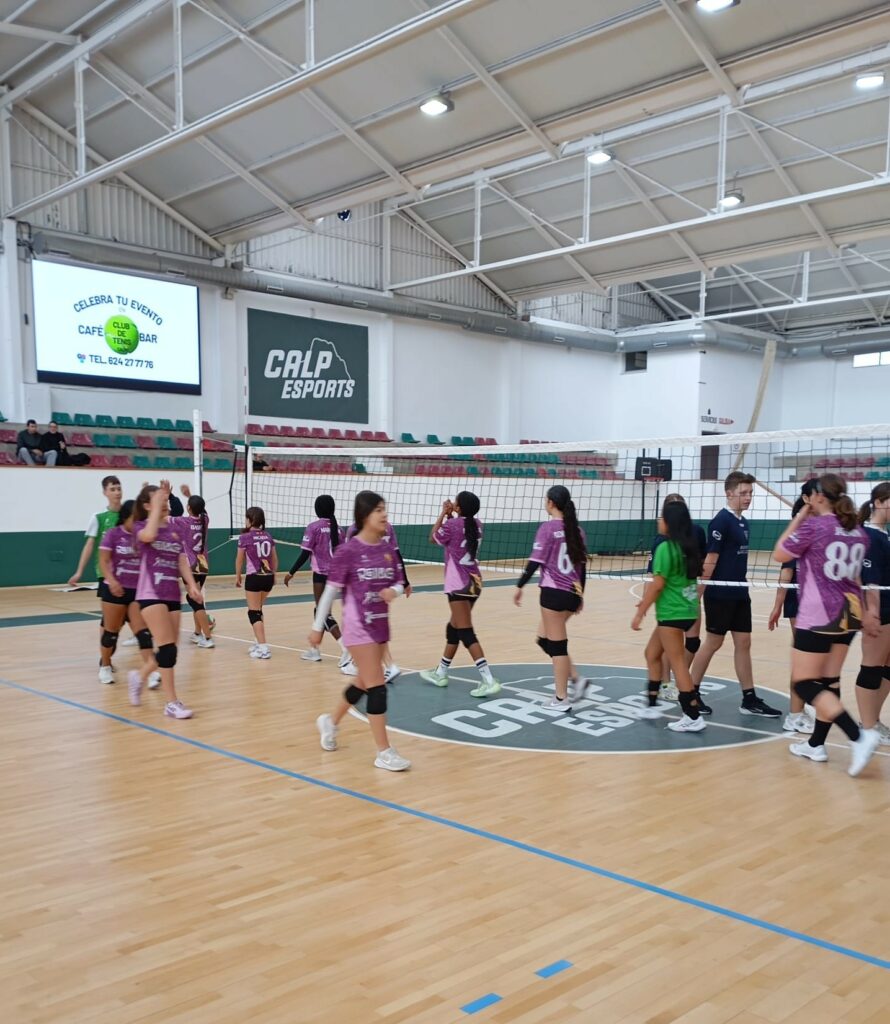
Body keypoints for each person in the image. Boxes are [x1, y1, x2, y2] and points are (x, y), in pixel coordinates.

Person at [774, 474, 880, 775]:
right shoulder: (858, 531)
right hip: (850, 613)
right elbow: (857, 577)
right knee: (829, 682)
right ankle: (815, 745)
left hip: (819, 614)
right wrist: (870, 611)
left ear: (818, 497)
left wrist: (799, 517)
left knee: (805, 684)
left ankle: (859, 736)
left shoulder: (814, 526)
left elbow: (779, 553)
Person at [313, 491, 410, 771]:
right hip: (358, 628)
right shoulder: (348, 551)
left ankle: (330, 723)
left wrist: (393, 590)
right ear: (365, 515)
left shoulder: (387, 549)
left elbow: (400, 582)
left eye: (385, 509)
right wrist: (317, 628)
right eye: (379, 510)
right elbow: (329, 592)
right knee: (378, 688)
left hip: (381, 625)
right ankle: (384, 751)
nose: (384, 514)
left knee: (363, 683)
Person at [689, 471, 781, 717]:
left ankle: (749, 698)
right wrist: (697, 594)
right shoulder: (721, 521)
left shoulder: (743, 522)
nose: (748, 497)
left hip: (740, 591)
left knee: (744, 642)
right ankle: (691, 693)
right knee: (714, 642)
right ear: (728, 493)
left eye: (750, 493)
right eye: (743, 493)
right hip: (720, 593)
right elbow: (710, 560)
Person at [129, 482, 203, 719]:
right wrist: (156, 507)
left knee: (170, 651)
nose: (164, 502)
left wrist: (191, 585)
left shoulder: (175, 529)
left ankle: (139, 676)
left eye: (165, 499)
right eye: (158, 499)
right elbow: (149, 535)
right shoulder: (140, 527)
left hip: (172, 592)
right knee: (168, 649)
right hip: (150, 594)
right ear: (148, 505)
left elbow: (181, 558)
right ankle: (172, 703)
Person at [513, 485, 589, 711]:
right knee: (544, 640)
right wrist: (581, 595)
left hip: (553, 594)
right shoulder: (578, 530)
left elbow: (535, 562)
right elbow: (582, 567)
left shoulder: (547, 528)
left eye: (546, 500)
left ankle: (561, 698)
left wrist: (520, 586)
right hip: (572, 594)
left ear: (552, 503)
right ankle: (577, 680)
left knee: (557, 647)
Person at [632, 501, 705, 731]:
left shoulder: (665, 548)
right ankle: (651, 706)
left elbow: (657, 585)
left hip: (672, 614)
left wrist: (641, 611)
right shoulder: (688, 546)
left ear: (669, 522)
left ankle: (693, 716)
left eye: (661, 517)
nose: (658, 521)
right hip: (687, 610)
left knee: (677, 664)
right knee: (651, 654)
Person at [420, 491, 499, 696]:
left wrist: (443, 513)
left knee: (465, 632)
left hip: (458, 584)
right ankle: (441, 672)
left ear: (460, 507)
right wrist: (451, 515)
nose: (453, 503)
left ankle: (488, 679)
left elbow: (434, 537)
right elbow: (460, 532)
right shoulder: (478, 524)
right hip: (475, 582)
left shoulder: (453, 526)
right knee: (453, 628)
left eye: (456, 502)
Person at [768, 481, 819, 735]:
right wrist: (778, 604)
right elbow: (786, 570)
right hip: (799, 601)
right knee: (803, 659)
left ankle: (803, 707)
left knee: (814, 661)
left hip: (817, 603)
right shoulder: (799, 533)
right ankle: (795, 714)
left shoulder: (818, 529)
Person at [284, 495, 355, 675]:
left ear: (317, 509)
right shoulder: (338, 529)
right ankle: (315, 650)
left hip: (321, 575)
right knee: (319, 611)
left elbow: (304, 554)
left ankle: (345, 647)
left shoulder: (313, 528)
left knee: (323, 613)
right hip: (337, 574)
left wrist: (291, 572)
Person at [648, 493, 706, 700]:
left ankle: (686, 696)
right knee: (658, 651)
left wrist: (642, 609)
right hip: (675, 605)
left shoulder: (696, 533)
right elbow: (654, 579)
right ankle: (666, 685)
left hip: (681, 604)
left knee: (687, 647)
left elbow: (701, 567)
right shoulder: (661, 543)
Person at [97, 499, 160, 689]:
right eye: (136, 518)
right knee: (111, 633)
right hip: (114, 590)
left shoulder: (143, 537)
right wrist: (113, 581)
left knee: (143, 634)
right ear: (125, 517)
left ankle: (150, 672)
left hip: (136, 592)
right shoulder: (113, 534)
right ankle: (105, 666)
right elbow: (103, 561)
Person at [346, 512, 411, 683]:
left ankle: (388, 666)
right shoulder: (387, 526)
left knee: (366, 624)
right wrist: (404, 581)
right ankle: (362, 662)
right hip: (384, 579)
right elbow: (397, 556)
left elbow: (349, 558)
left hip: (367, 582)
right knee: (373, 625)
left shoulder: (355, 529)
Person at [68, 475, 123, 674]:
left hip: (128, 575)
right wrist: (79, 571)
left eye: (119, 488)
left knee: (122, 621)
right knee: (108, 622)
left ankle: (109, 654)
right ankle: (105, 659)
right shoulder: (99, 518)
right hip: (106, 574)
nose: (117, 492)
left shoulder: (129, 515)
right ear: (105, 493)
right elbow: (90, 544)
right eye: (113, 489)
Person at [855, 482, 890, 743]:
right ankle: (866, 727)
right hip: (880, 612)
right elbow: (870, 583)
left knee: (886, 666)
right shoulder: (870, 536)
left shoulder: (884, 535)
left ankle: (873, 721)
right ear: (878, 502)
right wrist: (872, 613)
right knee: (871, 666)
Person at [174, 485, 215, 649]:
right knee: (197, 598)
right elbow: (201, 510)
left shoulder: (183, 522)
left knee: (194, 600)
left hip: (190, 565)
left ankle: (208, 636)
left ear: (188, 508)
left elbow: (166, 518)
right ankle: (198, 633)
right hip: (203, 564)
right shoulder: (205, 519)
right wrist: (190, 495)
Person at [236, 506, 277, 659]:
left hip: (254, 577)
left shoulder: (245, 537)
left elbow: (239, 559)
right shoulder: (268, 536)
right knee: (258, 610)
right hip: (268, 577)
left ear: (250, 520)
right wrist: (273, 575)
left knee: (253, 613)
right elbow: (275, 559)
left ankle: (263, 648)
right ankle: (258, 642)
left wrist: (238, 576)